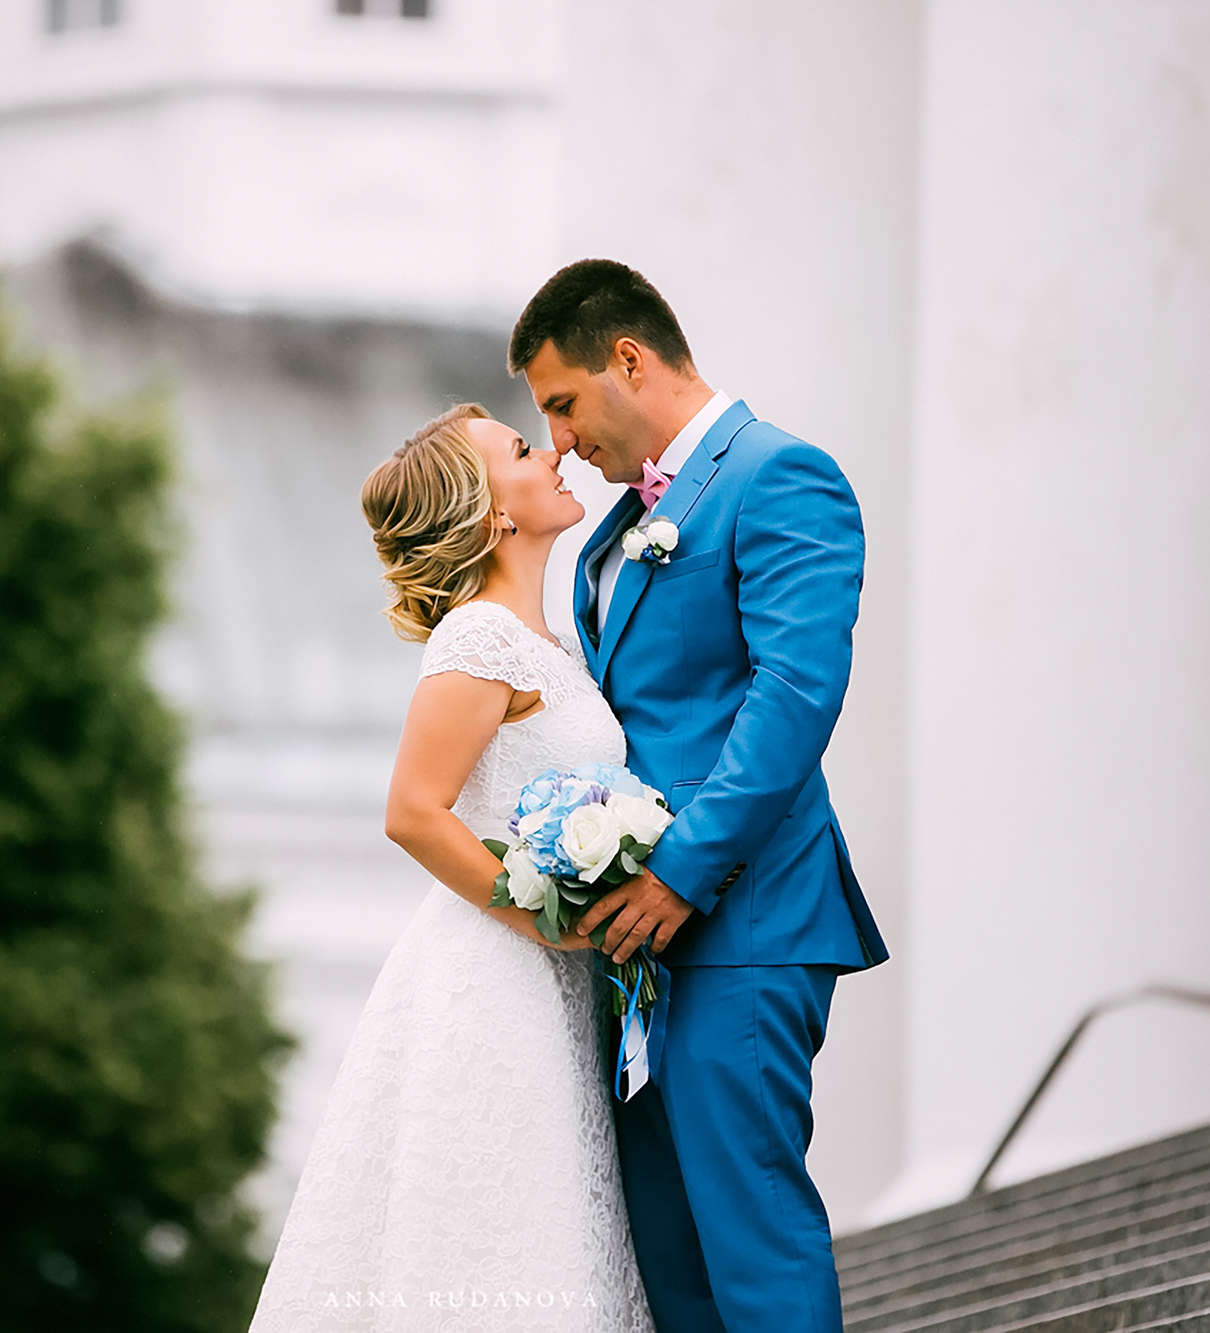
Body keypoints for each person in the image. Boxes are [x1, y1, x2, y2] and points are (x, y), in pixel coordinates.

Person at [509, 259, 889, 1333]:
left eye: (564, 403)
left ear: (627, 358)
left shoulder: (779, 476)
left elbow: (794, 691)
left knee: (751, 1243)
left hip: (746, 916)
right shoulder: (609, 537)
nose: (562, 439)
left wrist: (680, 868)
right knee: (668, 1267)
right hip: (640, 945)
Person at [249, 404, 655, 1331]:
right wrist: (546, 916)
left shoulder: (555, 644)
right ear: (489, 514)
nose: (551, 448)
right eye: (521, 448)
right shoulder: (477, 639)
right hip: (498, 980)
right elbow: (413, 812)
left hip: (559, 982)